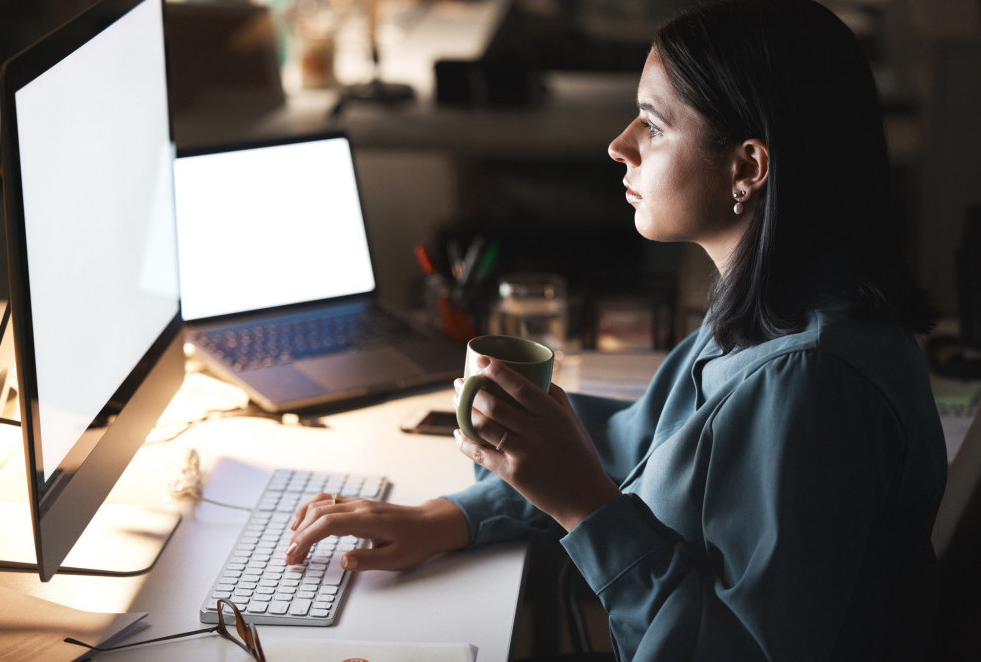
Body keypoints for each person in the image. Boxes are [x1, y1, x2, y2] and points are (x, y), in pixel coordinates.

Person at [285, 0, 948, 659]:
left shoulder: (808, 384)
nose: (619, 144)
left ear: (747, 167)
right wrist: (453, 517)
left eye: (654, 126)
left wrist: (586, 508)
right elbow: (639, 447)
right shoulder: (771, 306)